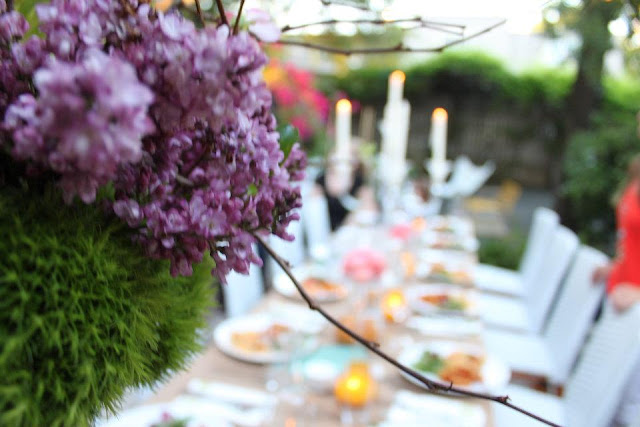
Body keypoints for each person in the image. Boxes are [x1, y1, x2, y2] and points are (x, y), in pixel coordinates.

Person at [592, 154, 640, 426]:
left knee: (625, 412)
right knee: (599, 396)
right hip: (617, 299)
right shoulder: (636, 168)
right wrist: (615, 265)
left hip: (636, 312)